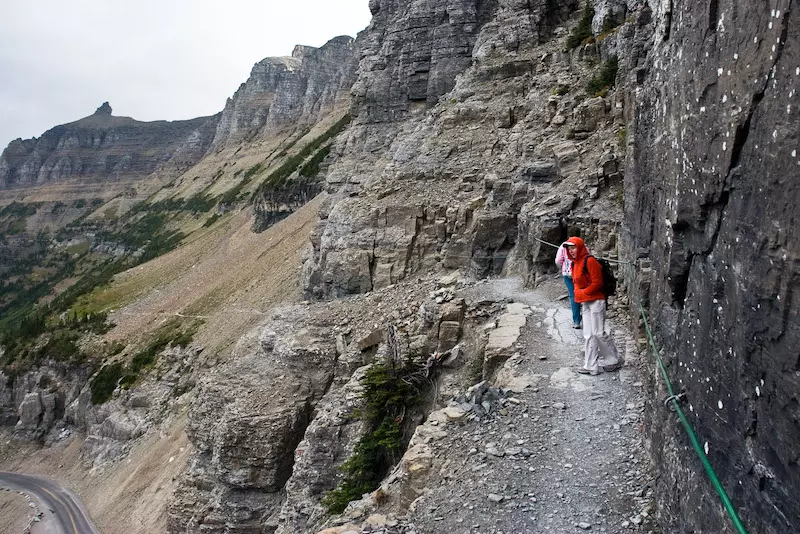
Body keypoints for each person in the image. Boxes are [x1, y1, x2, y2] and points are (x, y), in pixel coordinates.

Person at [564, 236, 622, 375]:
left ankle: (614, 359)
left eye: (573, 248)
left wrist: (581, 294)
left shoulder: (589, 261)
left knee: (598, 333)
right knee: (588, 334)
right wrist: (580, 295)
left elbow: (597, 283)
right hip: (586, 302)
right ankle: (590, 365)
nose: (571, 251)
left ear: (580, 247)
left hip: (596, 300)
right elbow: (576, 284)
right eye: (569, 249)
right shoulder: (574, 264)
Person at [555, 241, 582, 328]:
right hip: (580, 273)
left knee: (573, 295)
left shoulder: (563, 246)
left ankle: (576, 321)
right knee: (583, 293)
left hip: (567, 274)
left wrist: (562, 269)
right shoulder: (582, 245)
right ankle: (588, 318)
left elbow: (558, 260)